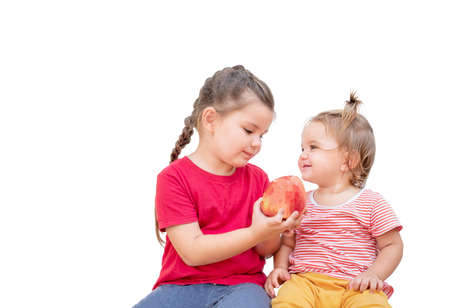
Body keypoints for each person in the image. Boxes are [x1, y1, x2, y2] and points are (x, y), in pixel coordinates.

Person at [133, 65, 302, 308]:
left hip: (243, 286)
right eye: (248, 130)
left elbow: (264, 249)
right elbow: (193, 251)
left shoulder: (258, 179)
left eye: (262, 135)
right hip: (181, 287)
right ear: (211, 119)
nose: (256, 143)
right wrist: (254, 232)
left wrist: (274, 230)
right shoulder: (173, 178)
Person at [265, 92, 404, 308]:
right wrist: (280, 267)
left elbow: (393, 245)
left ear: (348, 161)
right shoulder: (301, 201)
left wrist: (373, 275)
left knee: (372, 303)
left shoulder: (372, 203)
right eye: (302, 148)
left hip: (355, 286)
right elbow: (287, 242)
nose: (303, 154)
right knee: (288, 299)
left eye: (314, 147)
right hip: (306, 282)